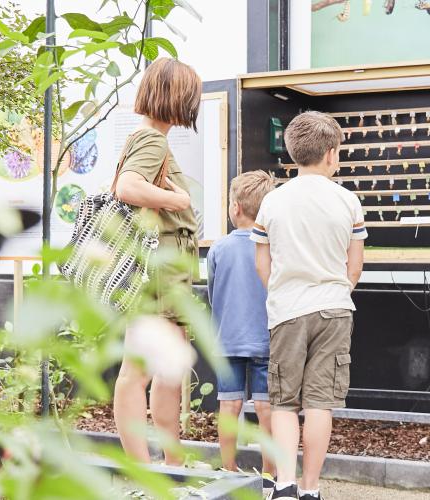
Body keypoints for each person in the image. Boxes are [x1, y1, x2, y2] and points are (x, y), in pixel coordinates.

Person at [252, 111, 367, 500]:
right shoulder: (349, 201)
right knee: (321, 403)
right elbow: (356, 265)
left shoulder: (272, 201)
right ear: (332, 153)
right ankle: (311, 489)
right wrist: (339, 290)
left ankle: (283, 484)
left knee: (284, 402)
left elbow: (262, 262)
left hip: (286, 311)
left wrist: (281, 293)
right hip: (335, 309)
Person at [110, 57, 203, 466]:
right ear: (179, 97)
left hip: (168, 273)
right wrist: (179, 200)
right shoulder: (153, 140)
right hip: (161, 273)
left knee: (167, 371)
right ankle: (147, 467)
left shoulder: (147, 137)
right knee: (140, 370)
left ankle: (172, 464)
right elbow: (126, 188)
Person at [206, 170, 278, 493]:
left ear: (235, 208)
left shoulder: (218, 249)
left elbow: (212, 292)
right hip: (265, 338)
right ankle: (269, 475)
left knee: (228, 406)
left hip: (227, 339)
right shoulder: (273, 248)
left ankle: (228, 470)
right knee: (266, 408)